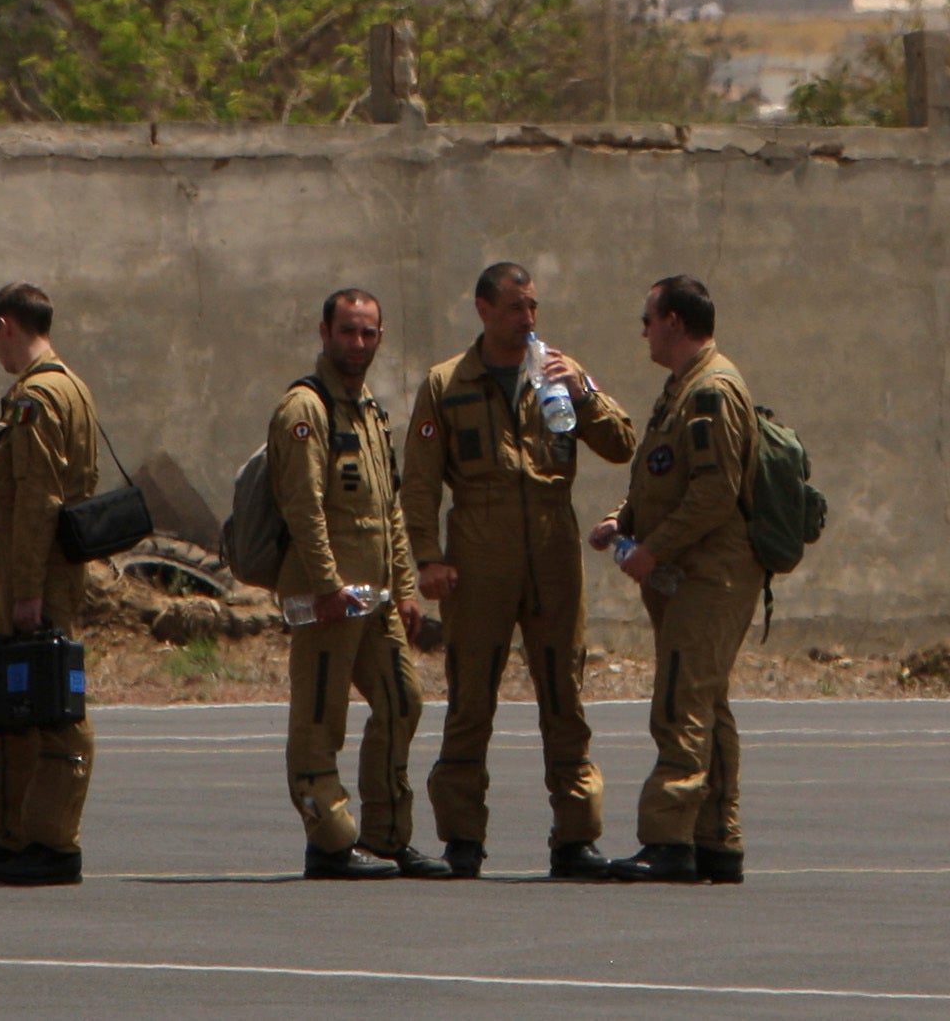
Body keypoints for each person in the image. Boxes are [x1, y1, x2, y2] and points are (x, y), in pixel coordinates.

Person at [401, 262, 636, 880]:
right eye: (515, 308)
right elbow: (421, 482)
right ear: (483, 309)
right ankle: (462, 839)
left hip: (552, 546)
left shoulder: (558, 372)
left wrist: (582, 391)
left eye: (533, 307)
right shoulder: (447, 383)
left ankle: (575, 836)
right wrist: (427, 559)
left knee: (564, 693)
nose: (528, 319)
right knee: (470, 695)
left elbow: (622, 444)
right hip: (479, 549)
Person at [588, 275, 762, 885]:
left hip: (709, 574)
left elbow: (716, 491)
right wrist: (625, 521)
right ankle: (716, 840)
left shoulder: (711, 390)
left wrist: (654, 550)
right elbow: (666, 474)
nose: (642, 331)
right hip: (685, 570)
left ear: (676, 323)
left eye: (648, 319)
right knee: (704, 701)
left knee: (680, 700)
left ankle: (668, 840)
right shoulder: (682, 389)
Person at [274, 289, 443, 879]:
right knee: (321, 718)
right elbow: (304, 509)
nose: (359, 344)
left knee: (403, 701)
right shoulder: (306, 409)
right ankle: (329, 840)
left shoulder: (369, 409)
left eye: (369, 333)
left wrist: (404, 588)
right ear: (324, 332)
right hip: (328, 600)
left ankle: (387, 836)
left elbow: (388, 507)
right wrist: (324, 586)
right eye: (348, 331)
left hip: (374, 598)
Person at [0, 282, 100, 885]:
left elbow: (37, 501)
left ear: (5, 325)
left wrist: (26, 592)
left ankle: (53, 840)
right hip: (35, 574)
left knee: (51, 708)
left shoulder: (38, 398)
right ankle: (15, 833)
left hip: (39, 577)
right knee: (16, 705)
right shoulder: (65, 386)